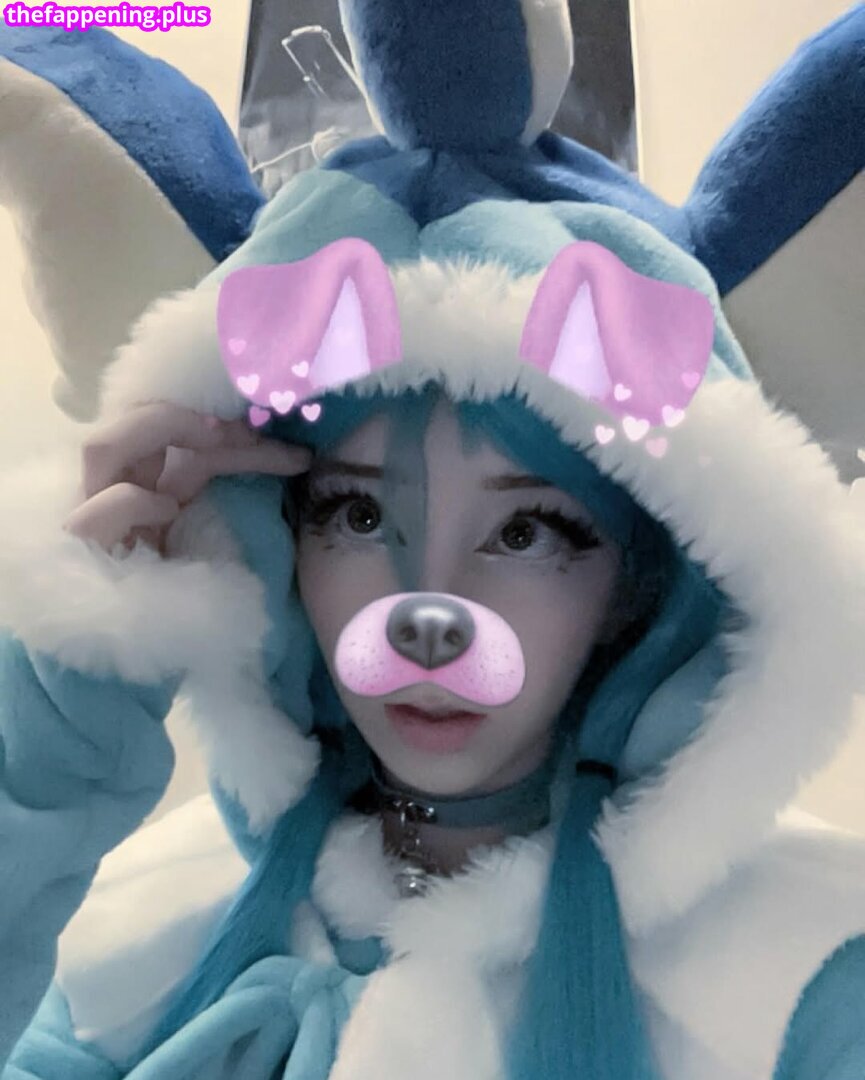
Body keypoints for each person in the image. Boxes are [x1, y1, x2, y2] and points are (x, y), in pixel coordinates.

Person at [0, 209, 864, 1080]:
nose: (429, 615)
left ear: (639, 582)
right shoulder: (133, 928)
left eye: (526, 531)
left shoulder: (811, 971)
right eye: (358, 514)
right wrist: (44, 763)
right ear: (272, 545)